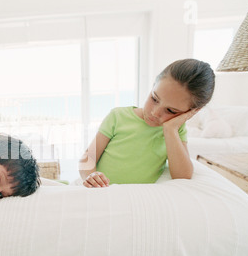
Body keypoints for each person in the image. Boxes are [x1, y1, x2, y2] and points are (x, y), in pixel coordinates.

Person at [79, 58, 215, 188]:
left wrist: (170, 129)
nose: (155, 113)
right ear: (153, 86)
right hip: (102, 192)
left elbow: (182, 176)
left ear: (191, 112)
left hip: (136, 198)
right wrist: (92, 176)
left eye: (170, 110)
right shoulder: (118, 116)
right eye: (154, 99)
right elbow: (87, 158)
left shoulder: (176, 130)